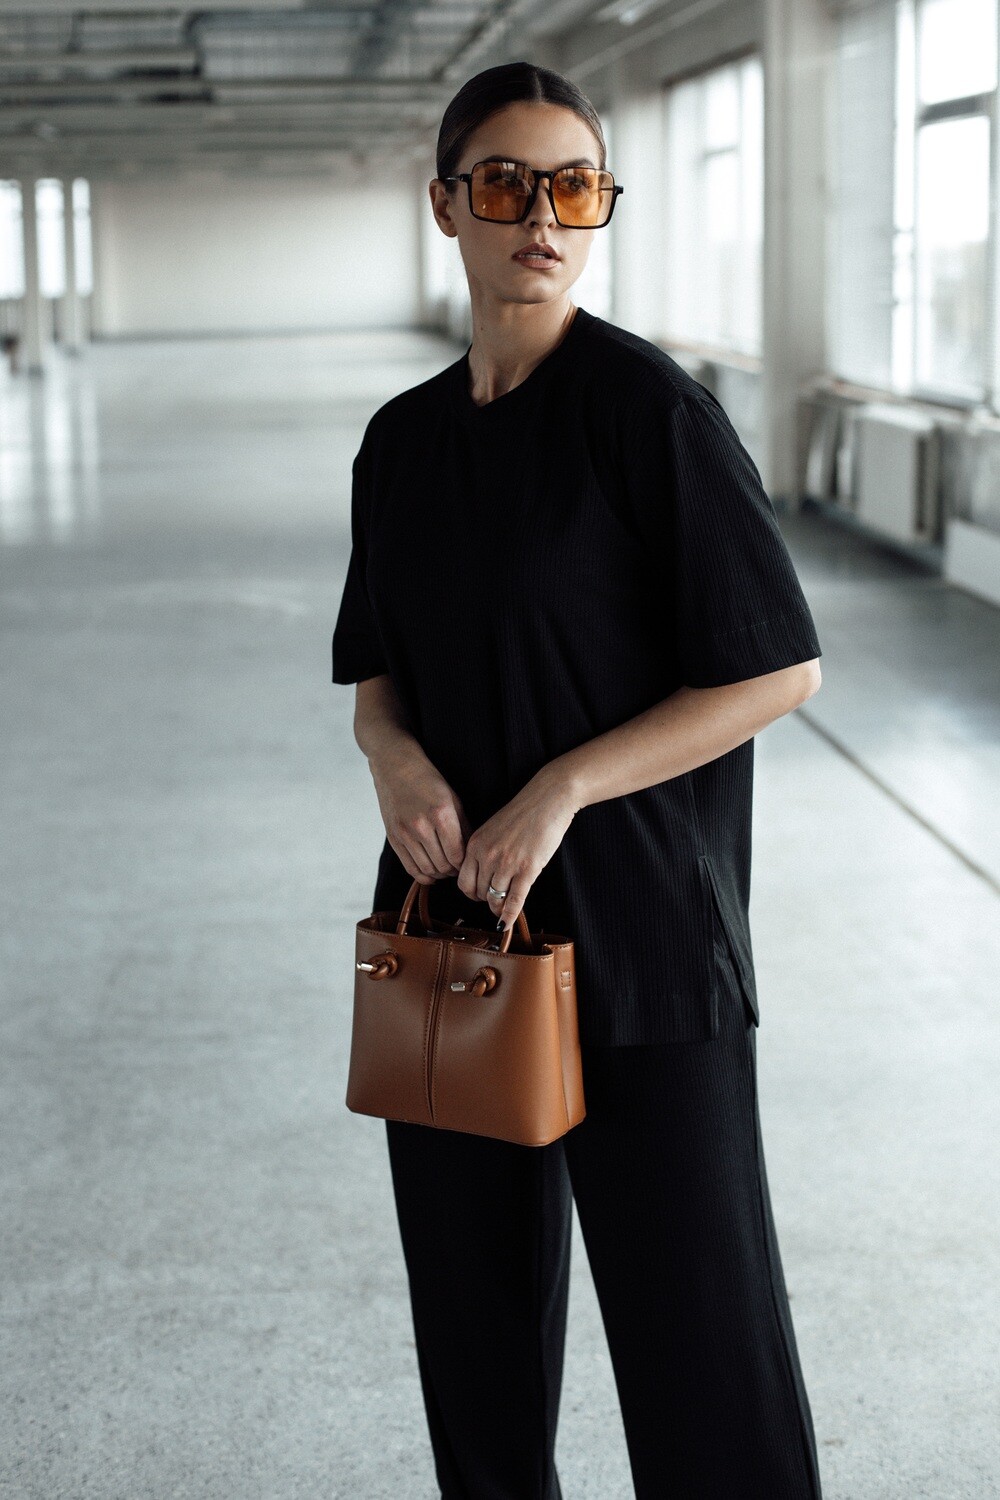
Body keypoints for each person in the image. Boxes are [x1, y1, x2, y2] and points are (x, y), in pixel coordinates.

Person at [332, 59, 825, 1500]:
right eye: (504, 186)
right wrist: (393, 757)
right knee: (475, 1338)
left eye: (575, 188)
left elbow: (777, 670)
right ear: (446, 205)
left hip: (647, 944)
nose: (542, 219)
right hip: (458, 940)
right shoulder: (402, 442)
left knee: (702, 1352)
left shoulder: (649, 413)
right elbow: (378, 671)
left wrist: (560, 791)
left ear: (601, 206)